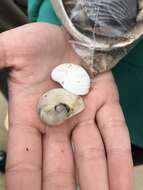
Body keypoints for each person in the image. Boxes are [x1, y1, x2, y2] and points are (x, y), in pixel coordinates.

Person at [0, 0, 142, 189]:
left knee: (99, 159)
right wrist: (69, 24)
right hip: (56, 38)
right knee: (37, 142)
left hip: (134, 120)